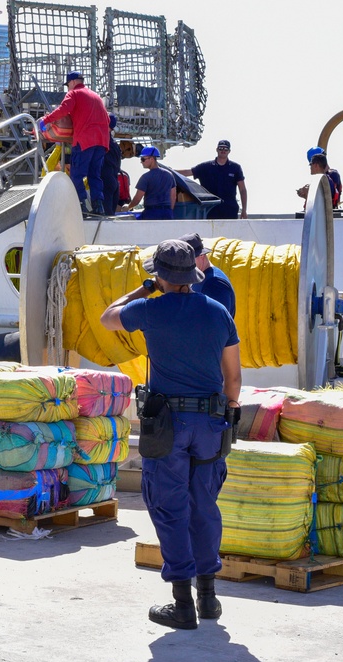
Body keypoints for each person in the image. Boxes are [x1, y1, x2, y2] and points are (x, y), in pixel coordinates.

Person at [101, 239, 241, 630]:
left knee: (168, 505)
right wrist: (227, 414)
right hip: (212, 423)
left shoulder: (150, 308)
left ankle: (182, 605)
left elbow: (108, 317)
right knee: (204, 505)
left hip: (168, 426)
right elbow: (233, 378)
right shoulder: (218, 313)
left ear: (159, 275)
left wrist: (144, 289)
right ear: (192, 275)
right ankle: (209, 598)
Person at [39, 71, 110, 215]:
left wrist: (45, 120)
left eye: (67, 86)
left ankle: (81, 206)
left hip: (84, 141)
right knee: (94, 175)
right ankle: (98, 206)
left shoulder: (74, 94)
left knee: (76, 175)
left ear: (71, 82)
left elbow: (64, 109)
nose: (67, 89)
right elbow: (107, 120)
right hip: (102, 142)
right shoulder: (96, 96)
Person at [176, 139, 247, 219]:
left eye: (225, 149)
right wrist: (169, 172)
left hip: (229, 209)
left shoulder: (235, 168)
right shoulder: (206, 167)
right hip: (210, 208)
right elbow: (188, 172)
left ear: (229, 151)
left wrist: (244, 210)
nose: (223, 150)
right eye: (221, 148)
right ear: (217, 150)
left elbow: (242, 190)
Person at [175, 232, 236, 317]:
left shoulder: (214, 284)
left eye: (187, 259)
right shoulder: (200, 278)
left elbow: (216, 325)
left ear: (201, 256)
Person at [123, 146, 176, 220]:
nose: (141, 162)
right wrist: (169, 211)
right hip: (167, 213)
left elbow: (137, 199)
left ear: (151, 159)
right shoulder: (169, 175)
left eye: (143, 159)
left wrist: (128, 207)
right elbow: (173, 197)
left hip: (151, 213)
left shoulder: (145, 177)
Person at [100, 114, 122, 216]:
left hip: (106, 181)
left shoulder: (103, 141)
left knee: (105, 218)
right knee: (110, 216)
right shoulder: (115, 145)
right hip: (114, 181)